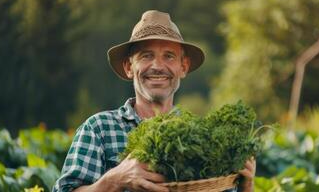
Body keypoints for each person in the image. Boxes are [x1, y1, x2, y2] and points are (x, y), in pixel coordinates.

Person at [53, 10, 255, 192]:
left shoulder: (202, 136)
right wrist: (115, 179)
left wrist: (247, 187)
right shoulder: (99, 129)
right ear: (129, 67)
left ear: (183, 67)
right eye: (146, 55)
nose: (157, 66)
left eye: (169, 56)